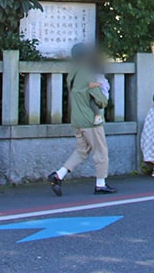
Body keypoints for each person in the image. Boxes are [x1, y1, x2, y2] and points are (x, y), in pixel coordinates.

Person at [47, 44, 116, 196]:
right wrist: (103, 97)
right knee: (100, 151)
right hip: (91, 120)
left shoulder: (72, 73)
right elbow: (101, 100)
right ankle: (100, 184)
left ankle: (59, 175)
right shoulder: (88, 74)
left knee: (82, 151)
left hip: (77, 119)